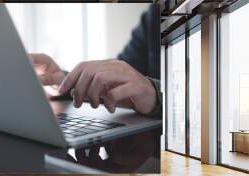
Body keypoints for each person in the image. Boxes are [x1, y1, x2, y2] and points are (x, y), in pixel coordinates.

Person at [30, 4, 162, 118]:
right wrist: (61, 83)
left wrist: (157, 95)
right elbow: (116, 83)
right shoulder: (154, 17)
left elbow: (141, 87)